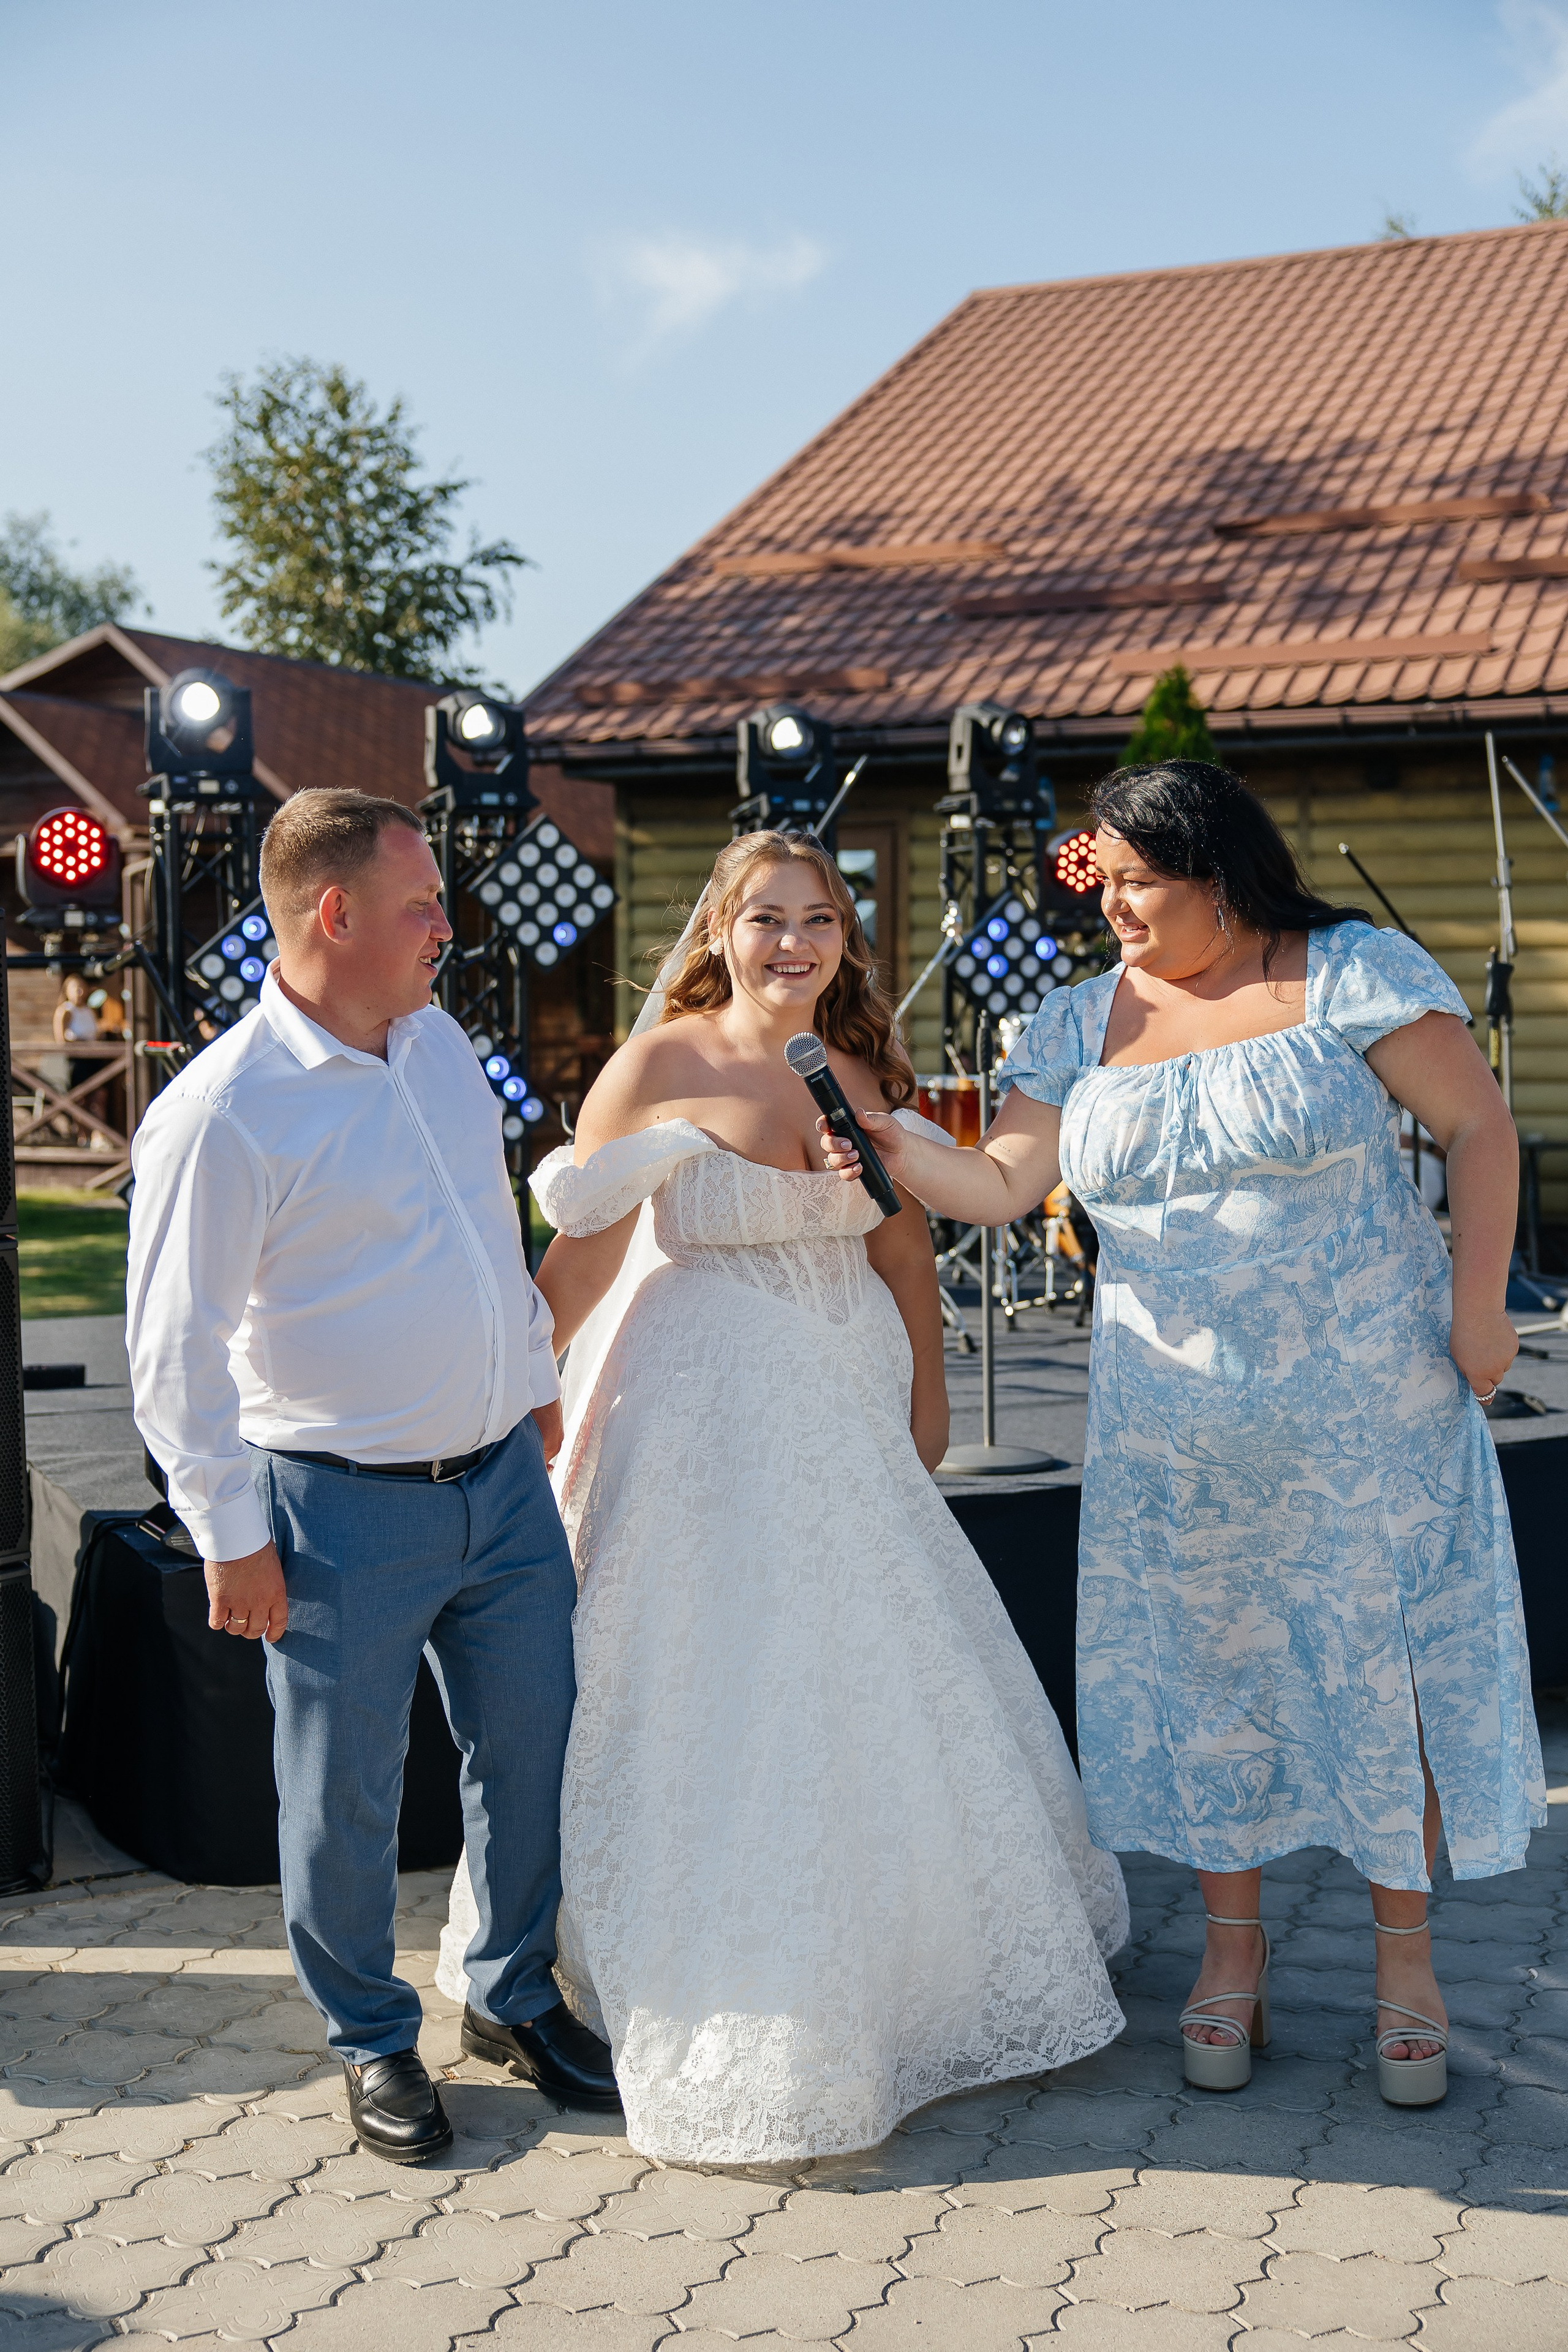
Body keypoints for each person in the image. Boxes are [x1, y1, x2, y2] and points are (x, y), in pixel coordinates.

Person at [820, 761, 1545, 2110]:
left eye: (1138, 883)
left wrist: (1478, 1306)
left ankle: (1405, 1966)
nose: (1114, 911)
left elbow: (1478, 1125)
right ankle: (1231, 1956)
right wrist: (889, 1142)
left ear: (1216, 871)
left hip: (1363, 1413)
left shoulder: (1348, 969)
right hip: (1174, 1438)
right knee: (1212, 1680)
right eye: (1105, 883)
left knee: (1370, 1668)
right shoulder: (1075, 1018)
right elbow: (1001, 1182)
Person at [437, 829, 1129, 2165]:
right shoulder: (656, 1065)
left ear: (844, 941)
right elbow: (583, 1251)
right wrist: (525, 1390)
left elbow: (899, 1239)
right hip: (695, 1401)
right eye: (766, 917)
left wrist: (926, 1387)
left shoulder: (858, 1063)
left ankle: (901, 1970)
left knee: (864, 1664)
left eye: (819, 918)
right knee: (696, 1668)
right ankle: (598, 1961)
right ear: (716, 929)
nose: (793, 942)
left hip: (843, 1396)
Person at [127, 788, 619, 2165]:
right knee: (340, 1790)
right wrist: (229, 1534)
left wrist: (529, 1381)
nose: (447, 932)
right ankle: (370, 2037)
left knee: (530, 1744)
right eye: (421, 907)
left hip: (502, 1490)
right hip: (333, 1507)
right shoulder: (223, 1111)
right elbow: (172, 1349)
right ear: (332, 914)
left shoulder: (443, 1044)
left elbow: (481, 1227)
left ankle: (509, 1994)